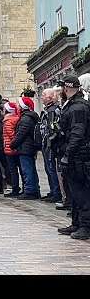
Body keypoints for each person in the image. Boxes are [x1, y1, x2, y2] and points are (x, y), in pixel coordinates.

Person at [54, 76, 90, 239]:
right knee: (74, 192)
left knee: (81, 192)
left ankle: (86, 226)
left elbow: (77, 133)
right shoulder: (73, 105)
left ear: (66, 89)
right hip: (73, 155)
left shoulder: (78, 108)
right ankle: (77, 223)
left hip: (78, 156)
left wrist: (68, 154)